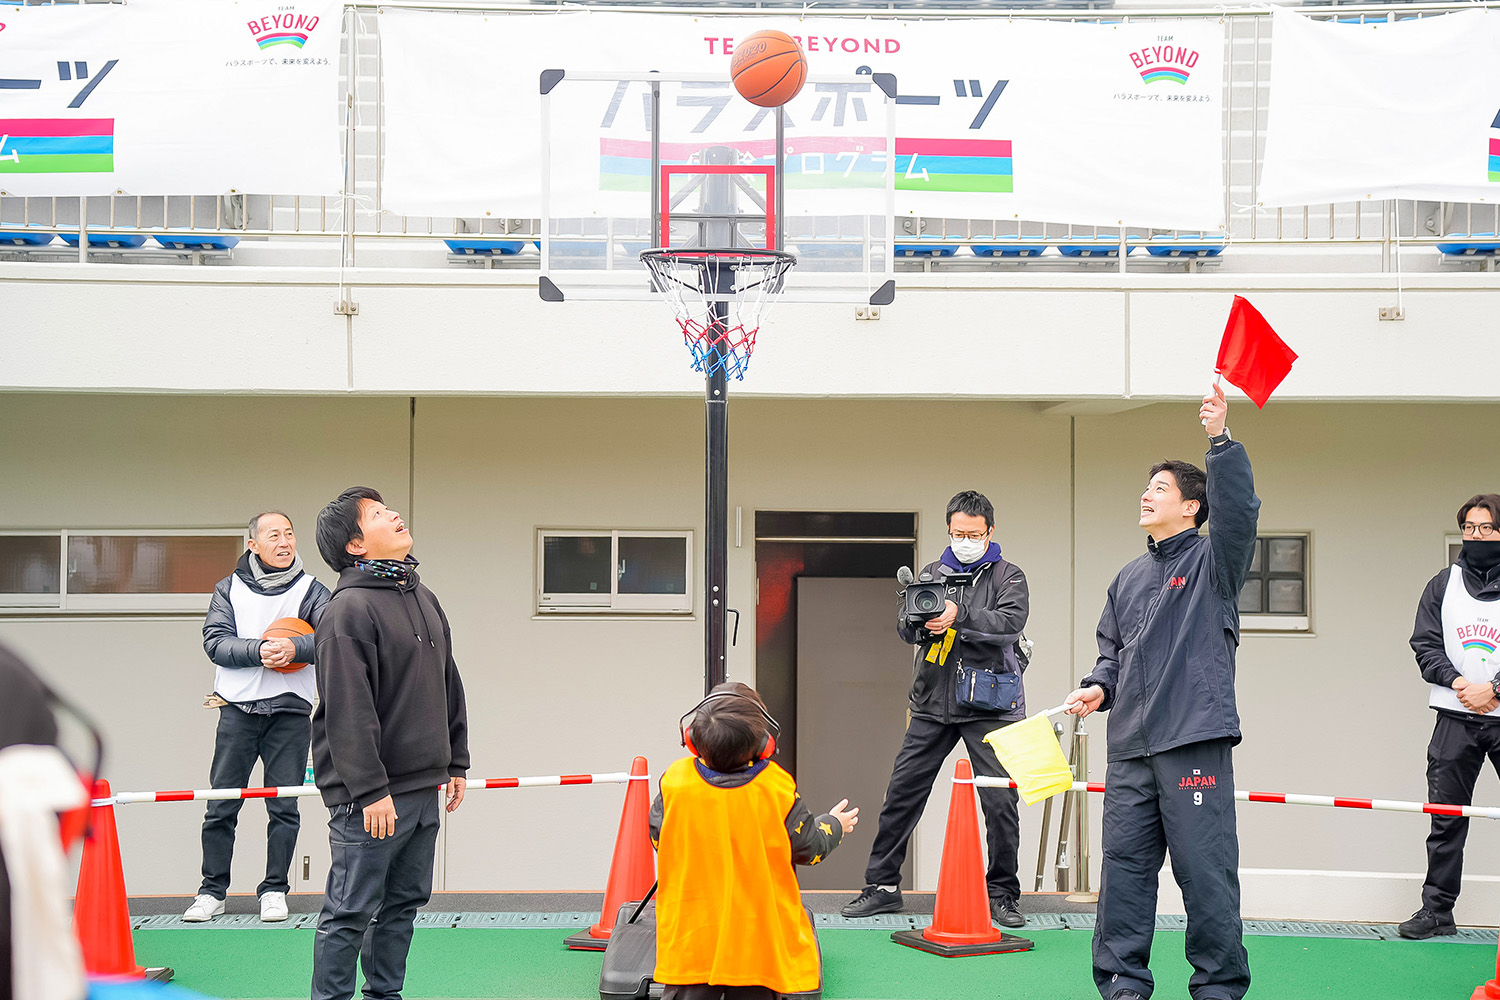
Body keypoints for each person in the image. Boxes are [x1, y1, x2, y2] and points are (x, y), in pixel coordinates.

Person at [1064, 386, 1258, 1000]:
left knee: (1205, 875)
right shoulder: (1128, 576)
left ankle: (1219, 987)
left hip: (1193, 739)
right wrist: (1099, 686)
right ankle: (1122, 983)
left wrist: (1220, 441)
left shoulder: (1213, 564)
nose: (1147, 496)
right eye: (1146, 487)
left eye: (1161, 489)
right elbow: (1112, 653)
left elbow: (1241, 514)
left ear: (1194, 508)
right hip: (1130, 750)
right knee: (1122, 873)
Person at [842, 490, 1030, 927]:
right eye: (958, 532)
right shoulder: (931, 573)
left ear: (990, 531)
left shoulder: (1009, 575)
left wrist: (957, 613)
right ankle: (883, 886)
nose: (965, 539)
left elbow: (1009, 624)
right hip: (932, 702)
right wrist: (915, 618)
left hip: (991, 704)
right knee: (902, 793)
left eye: (974, 533)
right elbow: (906, 632)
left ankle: (1002, 893)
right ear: (948, 529)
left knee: (1000, 801)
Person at [310, 487, 469, 1000]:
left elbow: (447, 680)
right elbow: (346, 710)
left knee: (402, 905)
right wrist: (371, 789)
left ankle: (385, 995)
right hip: (371, 796)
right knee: (350, 911)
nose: (395, 514)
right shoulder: (347, 611)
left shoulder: (424, 597)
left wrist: (457, 759)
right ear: (355, 545)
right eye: (378, 514)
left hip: (423, 786)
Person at [651, 682, 857, 1000]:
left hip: (692, 933)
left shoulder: (674, 782)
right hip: (757, 939)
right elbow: (810, 849)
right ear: (764, 744)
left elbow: (658, 839)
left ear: (691, 740)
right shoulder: (776, 788)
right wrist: (835, 825)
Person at [187, 511, 331, 923]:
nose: (285, 542)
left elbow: (329, 636)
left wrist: (296, 650)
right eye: (274, 535)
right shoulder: (228, 589)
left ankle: (274, 890)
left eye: (289, 534)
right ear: (252, 544)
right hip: (237, 712)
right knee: (220, 805)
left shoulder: (312, 589)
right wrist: (260, 651)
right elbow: (215, 642)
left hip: (290, 713)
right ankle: (211, 892)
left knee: (284, 806)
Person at [1399, 493, 1500, 939]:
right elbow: (1425, 644)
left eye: (1487, 529)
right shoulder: (1443, 583)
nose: (1476, 537)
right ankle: (1437, 912)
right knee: (1446, 819)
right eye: (1469, 529)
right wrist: (1461, 684)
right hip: (1453, 719)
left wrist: (1495, 689)